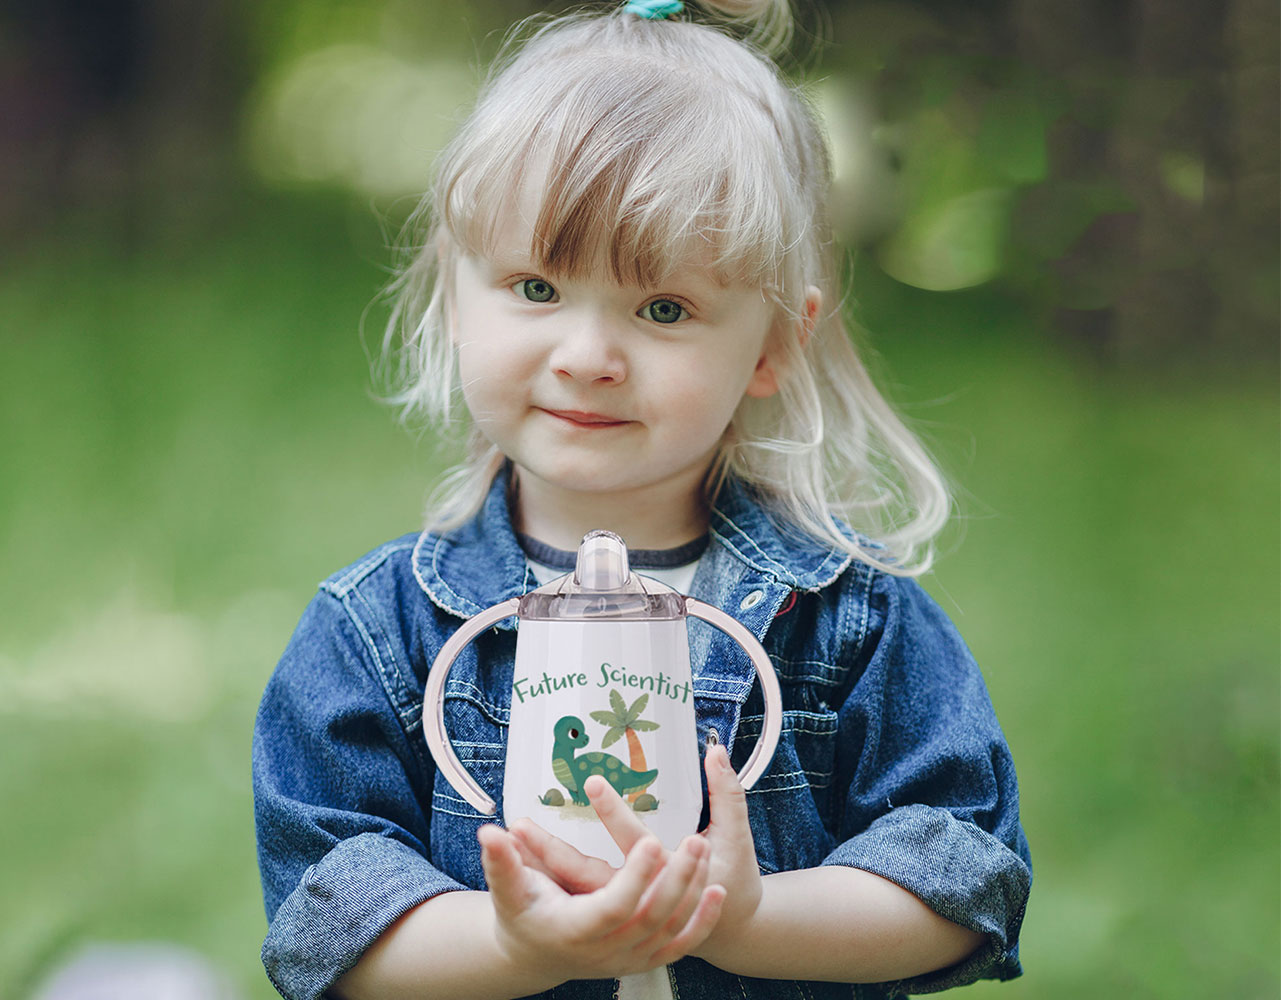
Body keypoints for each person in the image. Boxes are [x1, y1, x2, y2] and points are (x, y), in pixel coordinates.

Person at [252, 1, 1032, 997]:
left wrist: (745, 919)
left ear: (775, 344)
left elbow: (964, 883)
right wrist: (516, 949)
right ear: (455, 294)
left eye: (663, 308)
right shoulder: (374, 637)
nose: (587, 358)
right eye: (536, 288)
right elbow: (329, 927)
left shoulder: (851, 621)